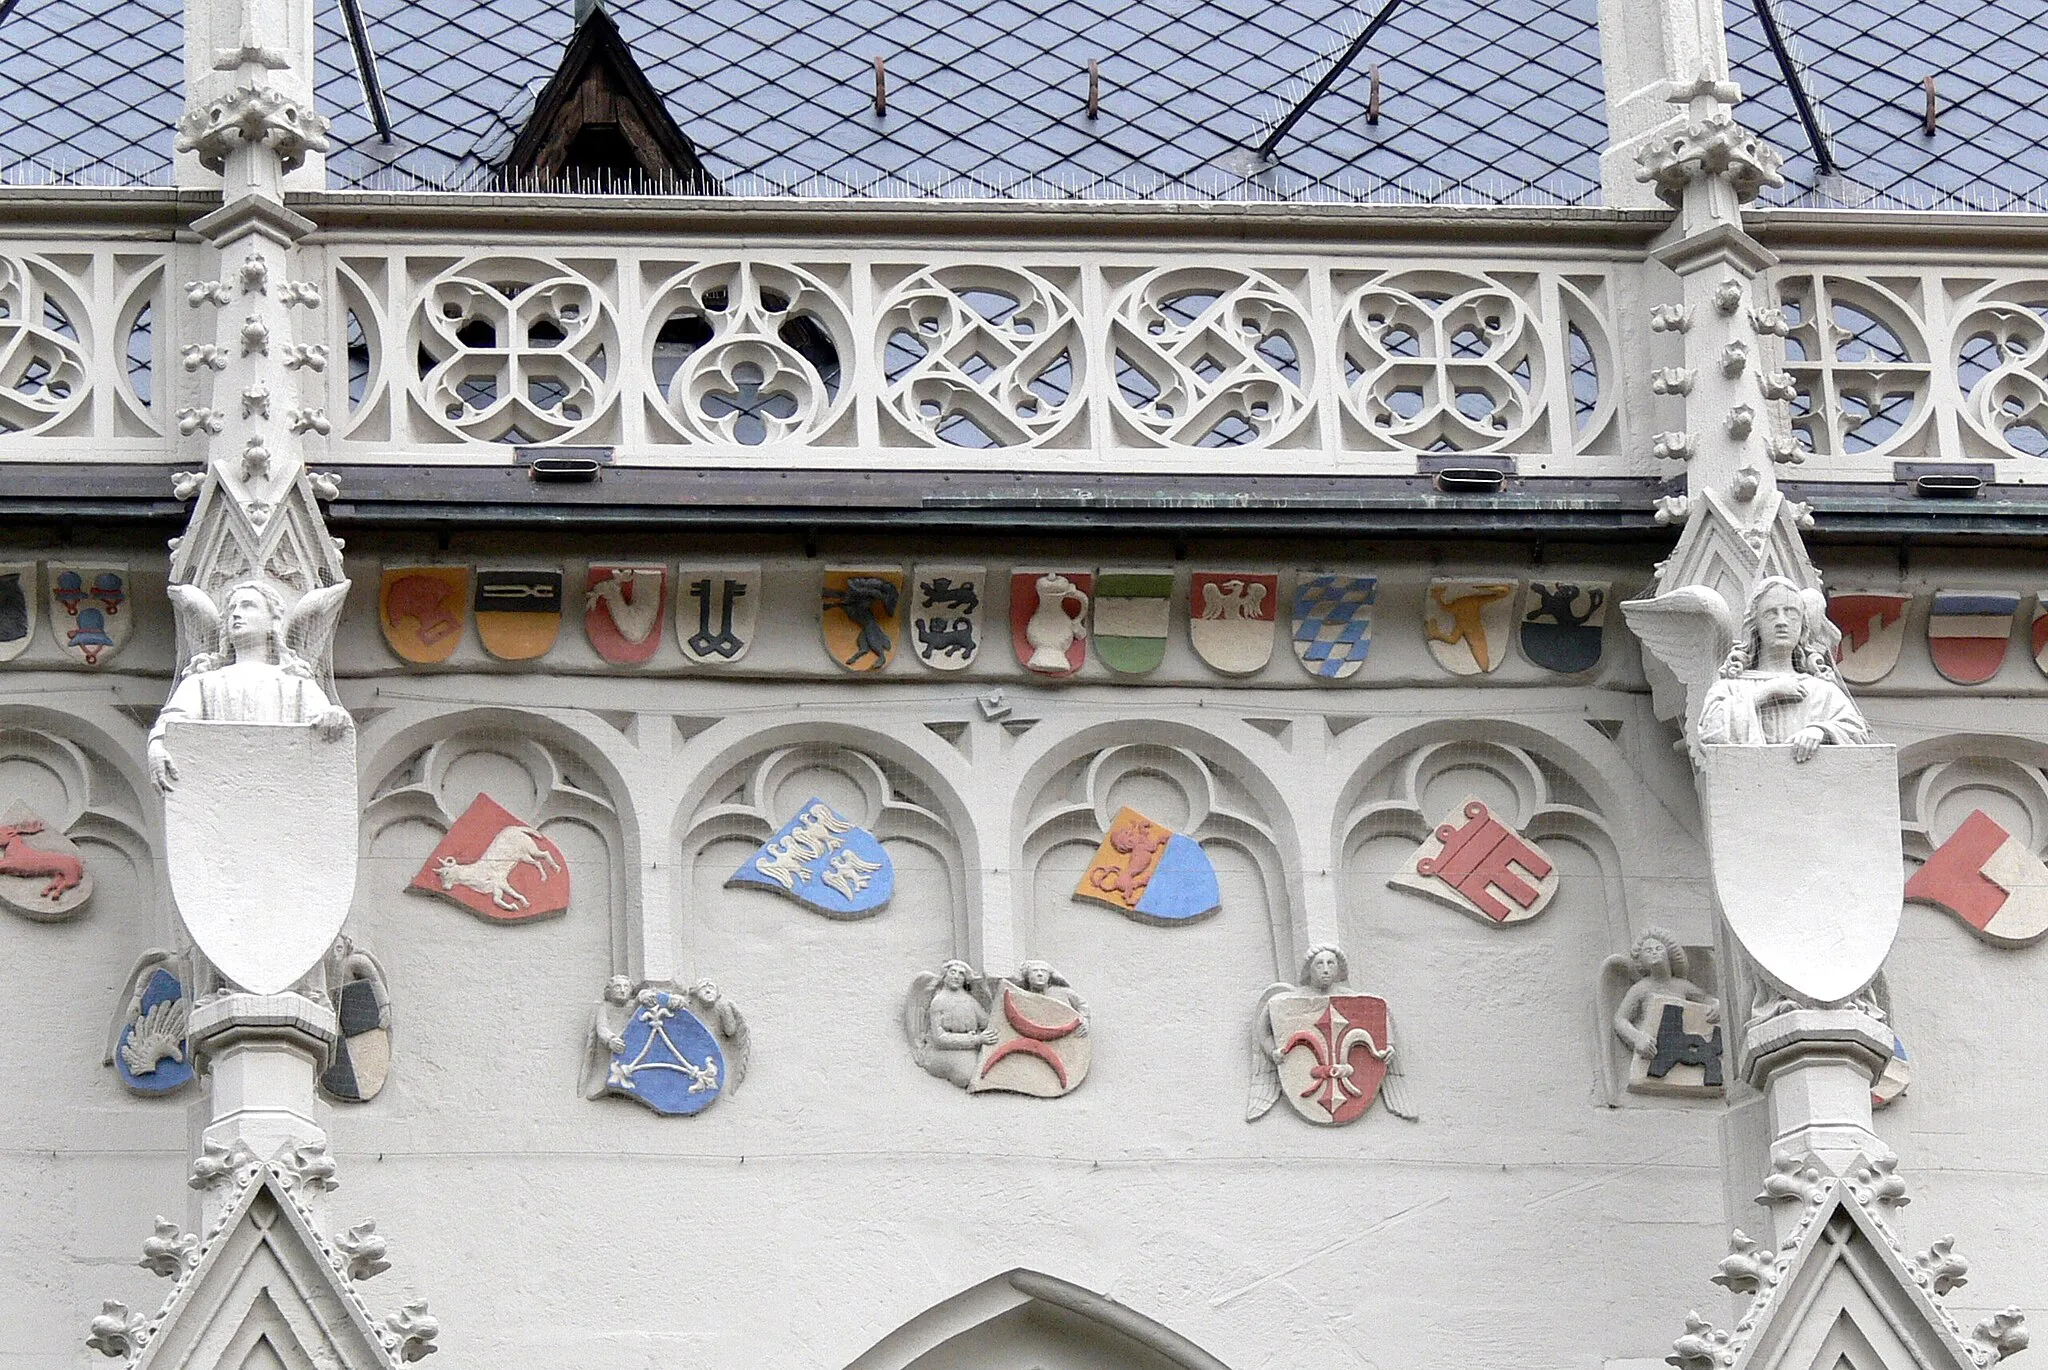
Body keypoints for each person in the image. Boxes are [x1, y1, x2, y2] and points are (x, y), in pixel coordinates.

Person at [147, 580, 351, 791]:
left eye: (247, 606)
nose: (236, 614)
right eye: (232, 609)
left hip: (281, 786)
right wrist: (157, 745)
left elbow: (324, 724)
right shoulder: (203, 681)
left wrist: (334, 717)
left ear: (274, 620)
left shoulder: (296, 684)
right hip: (219, 785)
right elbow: (172, 721)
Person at [1698, 576, 1871, 761]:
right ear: (1755, 625)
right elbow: (1710, 734)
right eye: (1771, 613)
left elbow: (1858, 735)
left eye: (1791, 613)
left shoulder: (1823, 691)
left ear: (1802, 626)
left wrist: (1821, 731)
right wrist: (1765, 693)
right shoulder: (1730, 688)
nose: (1782, 621)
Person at [1611, 929, 1718, 1060]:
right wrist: (1637, 1038)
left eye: (1658, 948)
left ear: (1669, 954)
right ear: (1641, 960)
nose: (1654, 952)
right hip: (1654, 1052)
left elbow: (1707, 1000)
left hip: (1683, 1047)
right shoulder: (1641, 988)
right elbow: (1620, 1019)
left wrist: (1717, 1006)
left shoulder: (1682, 985)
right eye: (1648, 951)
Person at [912, 960, 997, 1088]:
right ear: (945, 975)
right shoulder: (939, 1001)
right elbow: (939, 1039)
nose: (956, 976)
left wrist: (987, 995)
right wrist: (976, 1039)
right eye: (953, 972)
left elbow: (986, 1022)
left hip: (969, 1049)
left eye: (961, 974)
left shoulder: (969, 1000)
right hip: (944, 1051)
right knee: (967, 1076)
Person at [1014, 960, 1089, 1036]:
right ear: (1027, 976)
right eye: (1035, 971)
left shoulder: (1063, 992)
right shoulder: (1021, 995)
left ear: (1050, 976)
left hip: (1063, 1034)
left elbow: (1082, 1004)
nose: (1040, 974)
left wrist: (1085, 1020)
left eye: (1044, 971)